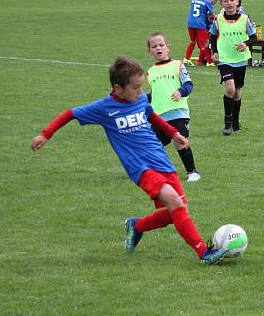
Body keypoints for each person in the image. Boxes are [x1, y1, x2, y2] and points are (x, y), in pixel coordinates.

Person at [29, 57, 227, 265]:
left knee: (177, 211)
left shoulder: (140, 100)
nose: (140, 92)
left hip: (162, 161)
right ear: (118, 88)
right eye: (135, 87)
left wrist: (173, 133)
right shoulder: (104, 108)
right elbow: (70, 113)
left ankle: (137, 226)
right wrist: (45, 134)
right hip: (140, 168)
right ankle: (204, 253)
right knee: (175, 202)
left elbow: (151, 114)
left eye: (141, 86)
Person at [146, 32, 202, 182]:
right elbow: (156, 93)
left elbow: (189, 85)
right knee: (154, 145)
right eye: (154, 46)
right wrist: (142, 100)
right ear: (149, 51)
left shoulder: (178, 65)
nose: (158, 48)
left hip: (178, 113)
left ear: (168, 48)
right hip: (158, 116)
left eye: (161, 45)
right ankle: (156, 173)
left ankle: (192, 172)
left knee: (179, 142)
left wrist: (180, 91)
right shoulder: (150, 72)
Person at [209, 0, 256, 136]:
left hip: (240, 60)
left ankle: (236, 121)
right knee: (230, 89)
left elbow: (254, 37)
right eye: (225, 1)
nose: (229, 3)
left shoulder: (244, 19)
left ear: (237, 2)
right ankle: (227, 123)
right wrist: (214, 52)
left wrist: (245, 44)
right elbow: (212, 36)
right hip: (224, 59)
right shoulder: (218, 20)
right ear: (221, 4)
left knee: (237, 92)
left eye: (232, 0)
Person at [184, 0, 214, 67]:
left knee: (192, 41)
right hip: (200, 24)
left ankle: (186, 58)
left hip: (190, 23)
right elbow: (211, 14)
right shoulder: (206, 1)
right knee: (205, 43)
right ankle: (209, 61)